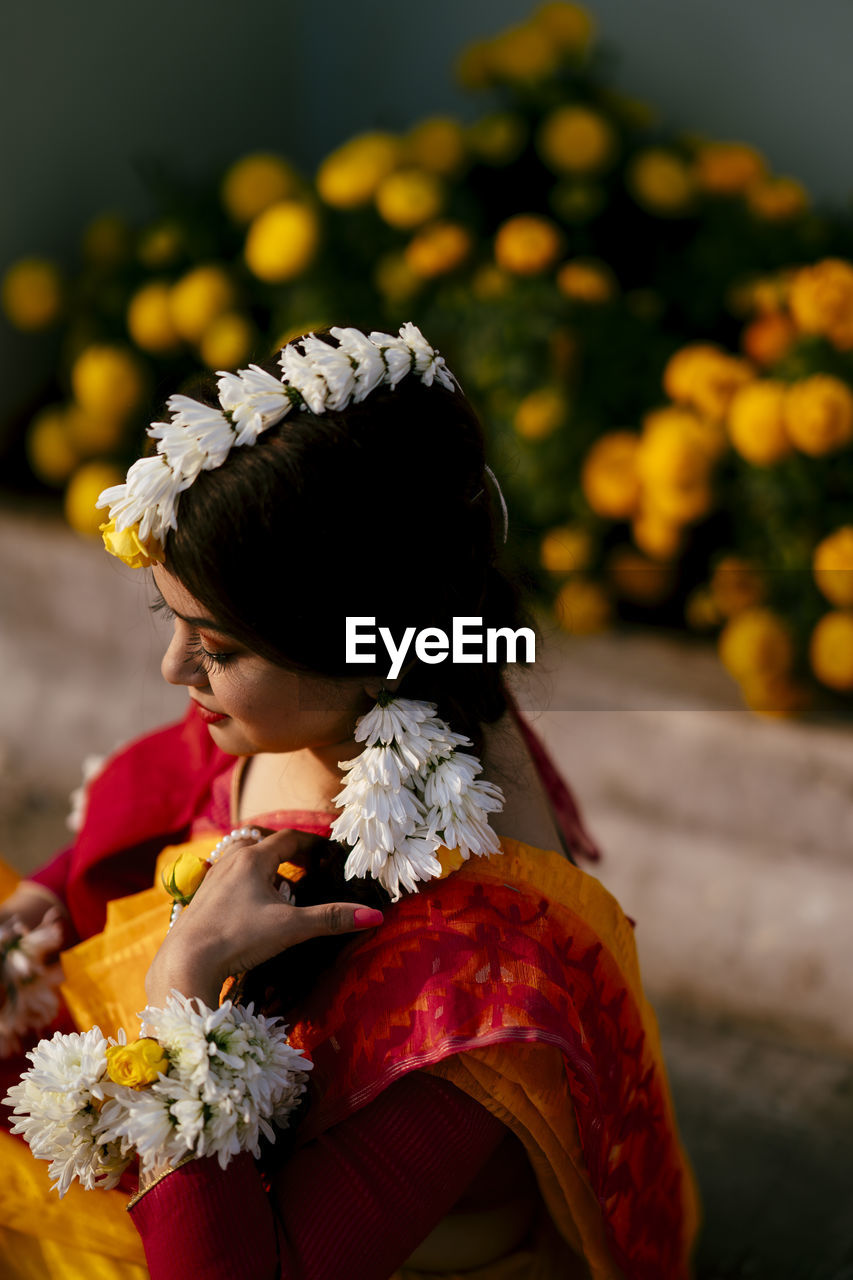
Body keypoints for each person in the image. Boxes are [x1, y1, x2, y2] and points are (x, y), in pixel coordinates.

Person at [0, 323, 699, 1280]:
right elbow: (159, 803)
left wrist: (183, 993)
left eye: (220, 649)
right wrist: (40, 905)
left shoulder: (477, 977)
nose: (173, 670)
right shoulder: (360, 706)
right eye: (174, 620)